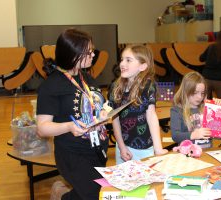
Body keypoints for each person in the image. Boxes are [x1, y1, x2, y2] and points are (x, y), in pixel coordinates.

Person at [36, 28, 109, 200]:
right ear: (72, 53)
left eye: (92, 50)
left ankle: (61, 194)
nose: (93, 55)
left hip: (97, 149)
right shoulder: (51, 85)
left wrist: (104, 112)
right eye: (88, 52)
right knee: (93, 194)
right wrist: (69, 126)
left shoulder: (87, 78)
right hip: (73, 154)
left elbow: (94, 104)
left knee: (91, 192)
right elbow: (42, 128)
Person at [108, 44, 168, 164]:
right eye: (122, 59)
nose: (122, 64)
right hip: (123, 146)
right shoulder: (116, 87)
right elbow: (115, 119)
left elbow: (151, 116)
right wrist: (121, 147)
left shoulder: (148, 86)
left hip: (145, 148)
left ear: (142, 66)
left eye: (128, 60)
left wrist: (158, 148)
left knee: (145, 180)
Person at [170, 71, 221, 149]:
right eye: (195, 93)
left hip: (207, 152)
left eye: (202, 93)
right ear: (186, 91)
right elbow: (175, 135)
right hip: (188, 154)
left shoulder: (208, 107)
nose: (200, 97)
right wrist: (194, 135)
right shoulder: (177, 110)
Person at [199, 29, 221, 102]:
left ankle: (206, 114)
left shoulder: (211, 47)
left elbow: (201, 58)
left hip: (207, 78)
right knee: (220, 104)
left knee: (206, 102)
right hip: (220, 79)